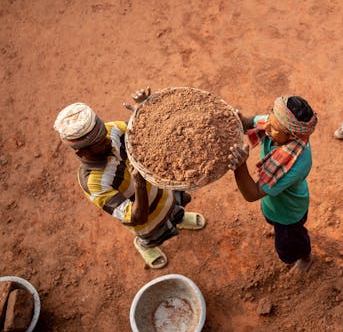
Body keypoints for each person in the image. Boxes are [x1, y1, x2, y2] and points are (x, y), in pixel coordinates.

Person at [53, 88, 206, 269]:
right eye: (101, 143)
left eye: (105, 135)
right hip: (148, 220)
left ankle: (178, 218)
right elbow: (136, 217)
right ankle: (144, 245)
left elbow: (145, 135)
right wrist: (139, 185)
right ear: (82, 152)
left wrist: (145, 110)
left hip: (165, 191)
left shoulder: (112, 131)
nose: (108, 141)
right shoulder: (93, 183)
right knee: (155, 236)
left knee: (176, 207)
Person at [228, 95, 318, 273]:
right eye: (270, 116)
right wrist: (240, 120)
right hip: (274, 204)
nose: (266, 126)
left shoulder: (294, 163)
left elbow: (252, 194)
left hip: (289, 213)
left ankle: (305, 256)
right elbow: (252, 123)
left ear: (291, 136)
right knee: (273, 221)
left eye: (275, 128)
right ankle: (285, 232)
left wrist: (240, 166)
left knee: (289, 247)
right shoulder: (277, 122)